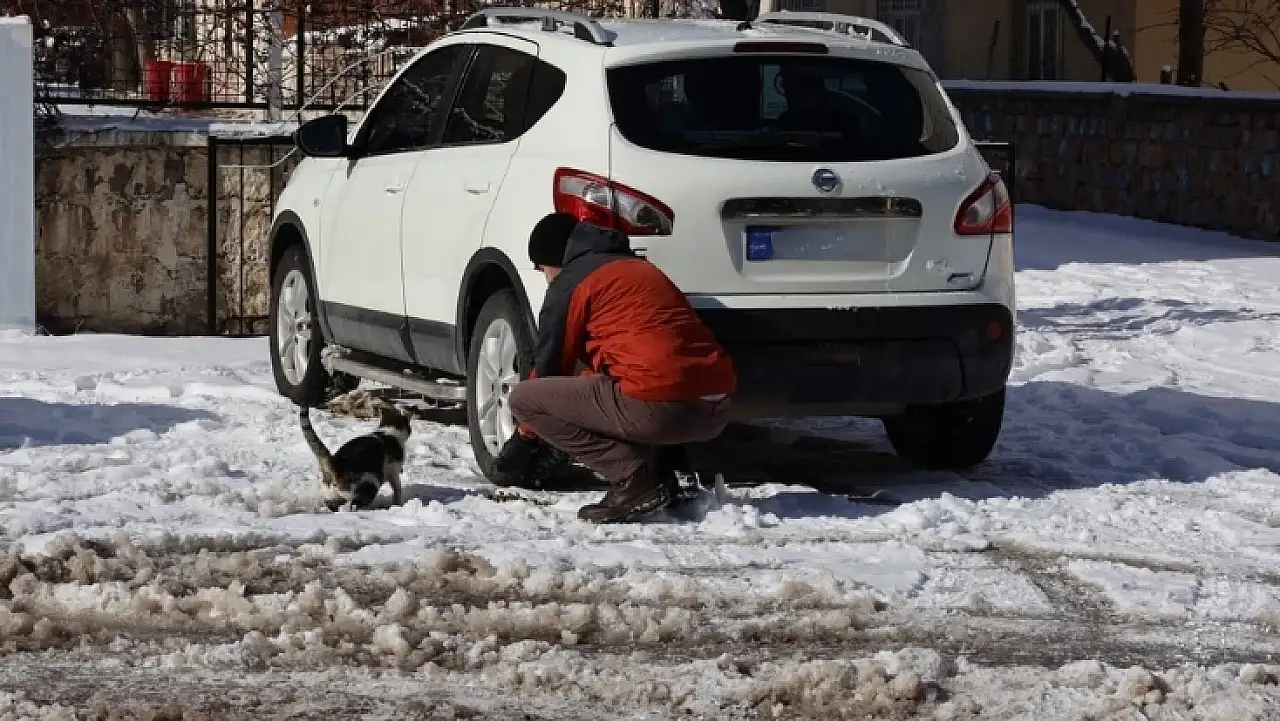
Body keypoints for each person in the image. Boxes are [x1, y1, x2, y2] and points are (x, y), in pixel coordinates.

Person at [492, 212, 736, 523]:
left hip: (662, 408)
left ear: (552, 261)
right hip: (717, 407)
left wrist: (525, 438)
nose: (546, 279)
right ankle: (671, 470)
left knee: (525, 399)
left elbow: (551, 366)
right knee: (624, 380)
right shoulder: (639, 268)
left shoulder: (572, 282)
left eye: (543, 270)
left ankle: (634, 480)